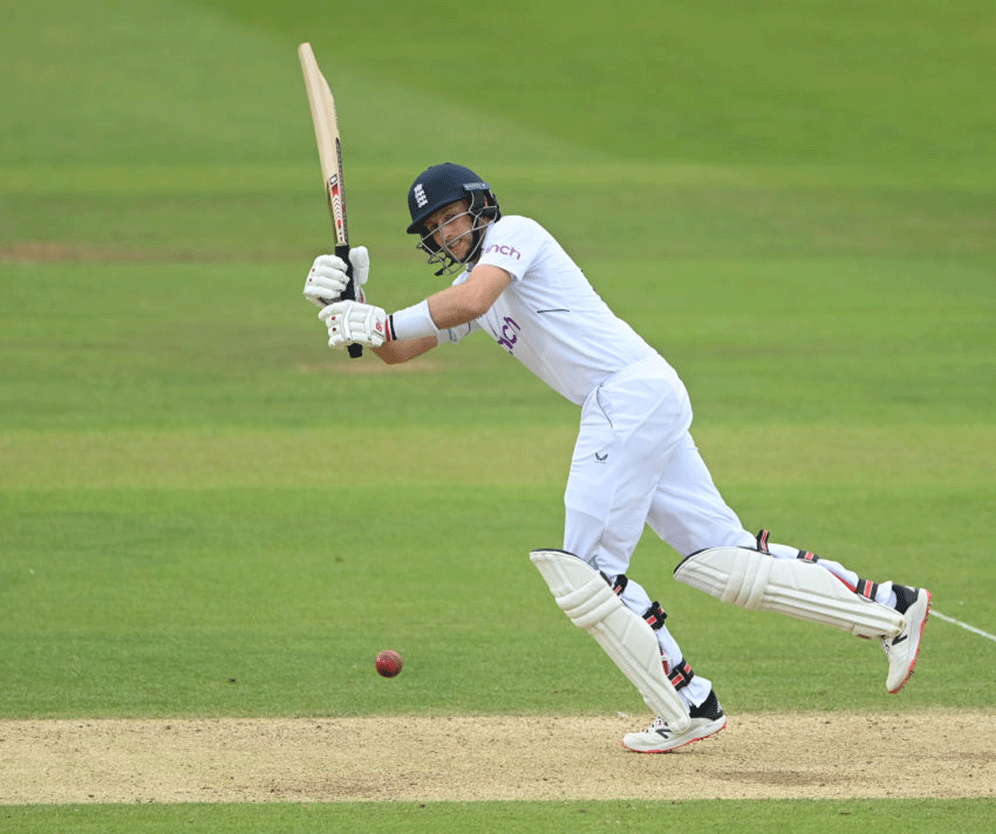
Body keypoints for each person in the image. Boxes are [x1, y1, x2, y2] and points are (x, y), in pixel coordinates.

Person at [302, 162, 932, 753]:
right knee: (719, 556)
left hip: (625, 397)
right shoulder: (472, 288)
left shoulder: (514, 238)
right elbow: (400, 349)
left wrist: (379, 320)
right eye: (433, 228)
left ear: (479, 205)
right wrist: (347, 304)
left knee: (588, 572)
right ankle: (890, 608)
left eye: (451, 215)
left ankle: (686, 704)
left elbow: (454, 308)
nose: (446, 231)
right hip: (640, 398)